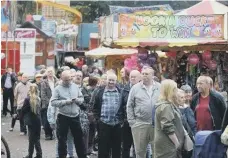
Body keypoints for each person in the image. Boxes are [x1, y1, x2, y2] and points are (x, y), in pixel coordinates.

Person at [51, 70, 86, 158]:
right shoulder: (57, 89)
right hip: (63, 116)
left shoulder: (75, 86)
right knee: (62, 140)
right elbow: (53, 102)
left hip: (75, 116)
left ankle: (82, 156)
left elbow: (81, 98)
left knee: (79, 139)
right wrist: (65, 102)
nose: (68, 82)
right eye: (65, 80)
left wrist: (77, 100)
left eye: (69, 79)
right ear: (61, 78)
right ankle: (62, 156)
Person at [127, 67, 160, 158]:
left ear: (152, 75)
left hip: (156, 124)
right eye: (143, 73)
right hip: (140, 124)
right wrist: (132, 122)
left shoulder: (159, 87)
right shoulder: (135, 88)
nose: (144, 76)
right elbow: (129, 105)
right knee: (140, 152)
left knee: (156, 151)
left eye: (147, 74)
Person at [92, 72, 124, 158]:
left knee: (116, 148)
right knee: (103, 148)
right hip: (103, 123)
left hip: (117, 123)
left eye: (113, 80)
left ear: (116, 81)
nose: (111, 82)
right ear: (106, 80)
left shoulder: (120, 92)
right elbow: (94, 107)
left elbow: (124, 106)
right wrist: (97, 120)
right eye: (109, 80)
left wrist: (122, 120)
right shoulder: (99, 92)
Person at [154, 79, 185, 158]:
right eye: (175, 89)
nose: (176, 91)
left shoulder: (166, 104)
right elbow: (167, 127)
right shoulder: (166, 106)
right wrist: (177, 143)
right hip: (167, 143)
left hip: (166, 142)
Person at [121, 70, 141, 158]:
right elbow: (121, 104)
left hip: (139, 122)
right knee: (126, 146)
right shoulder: (124, 89)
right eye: (131, 76)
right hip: (126, 122)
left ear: (139, 78)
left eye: (134, 77)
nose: (132, 78)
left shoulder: (142, 89)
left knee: (138, 147)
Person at [21, 84, 42, 158]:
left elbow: (23, 110)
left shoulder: (27, 99)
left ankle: (30, 155)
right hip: (38, 120)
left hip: (31, 121)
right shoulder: (39, 98)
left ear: (29, 90)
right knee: (37, 138)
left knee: (31, 139)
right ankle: (39, 154)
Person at [40, 67, 58, 140]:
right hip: (47, 103)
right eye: (49, 72)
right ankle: (48, 134)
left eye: (51, 72)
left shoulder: (57, 81)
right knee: (46, 119)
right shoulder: (44, 82)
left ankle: (53, 132)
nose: (50, 73)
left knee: (54, 118)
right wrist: (49, 102)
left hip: (56, 102)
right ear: (46, 73)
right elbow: (43, 94)